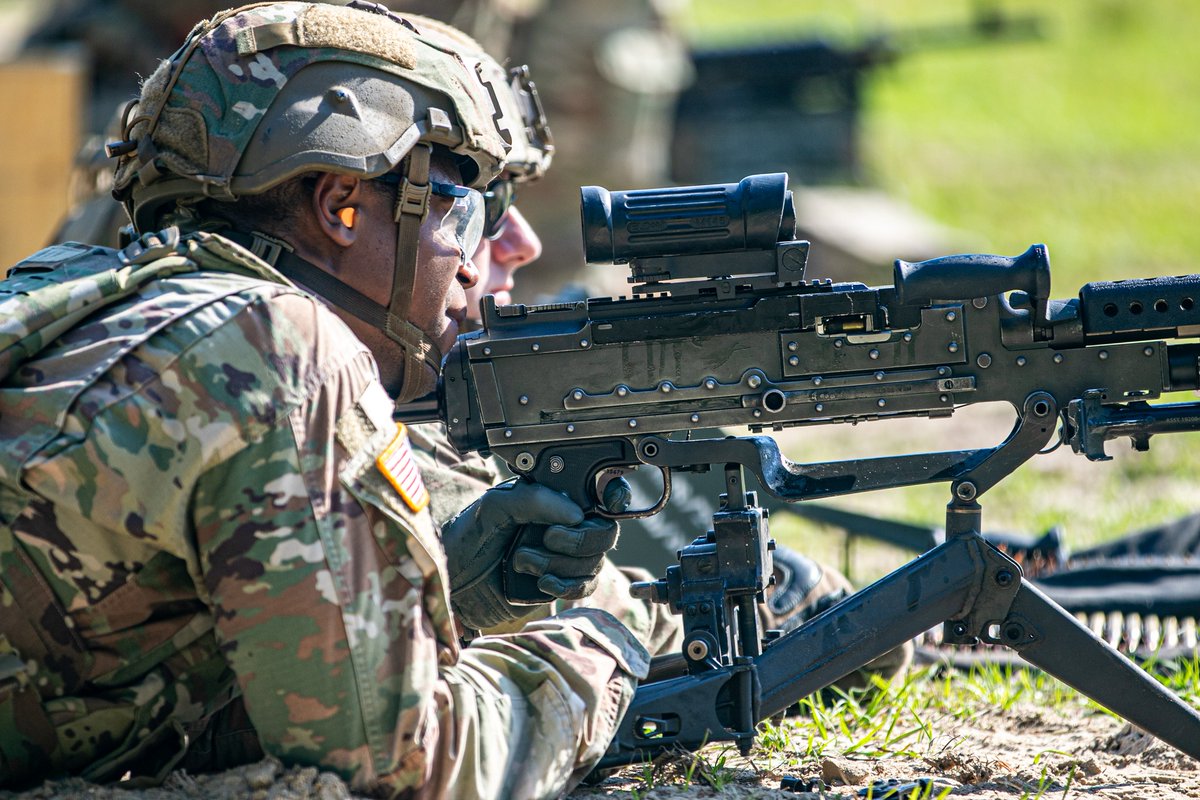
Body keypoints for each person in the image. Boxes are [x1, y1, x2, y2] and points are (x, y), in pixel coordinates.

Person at [0, 4, 649, 796]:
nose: (484, 259)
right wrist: (602, 637)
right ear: (343, 204)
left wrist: (453, 590)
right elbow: (406, 773)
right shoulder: (281, 349)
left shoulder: (67, 290)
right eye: (466, 209)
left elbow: (142, 708)